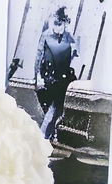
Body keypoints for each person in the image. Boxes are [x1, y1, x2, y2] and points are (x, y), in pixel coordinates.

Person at [34, 7, 78, 142]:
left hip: (63, 78)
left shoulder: (69, 38)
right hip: (49, 78)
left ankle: (46, 137)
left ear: (65, 23)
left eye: (61, 24)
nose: (58, 28)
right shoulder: (46, 35)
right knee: (52, 109)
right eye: (56, 24)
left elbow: (73, 56)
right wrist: (37, 77)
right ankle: (43, 138)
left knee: (56, 109)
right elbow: (38, 56)